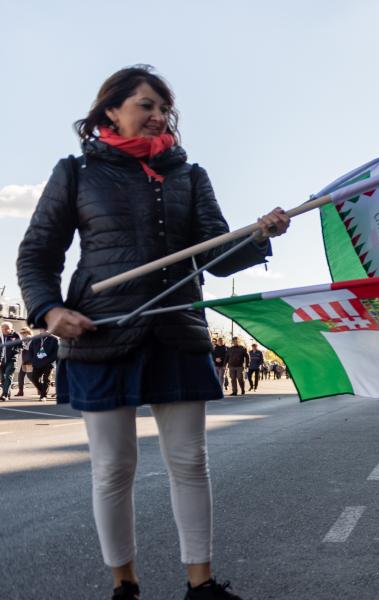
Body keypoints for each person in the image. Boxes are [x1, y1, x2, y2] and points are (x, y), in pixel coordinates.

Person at [16, 65, 290, 600]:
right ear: (110, 112)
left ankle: (201, 583)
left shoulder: (190, 176)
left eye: (164, 109)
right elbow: (37, 254)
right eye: (146, 105)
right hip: (101, 333)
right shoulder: (76, 172)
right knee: (113, 468)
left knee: (190, 460)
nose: (158, 116)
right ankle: (124, 585)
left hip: (176, 330)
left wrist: (257, 236)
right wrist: (49, 311)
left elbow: (215, 256)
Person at [27, 330, 58, 401]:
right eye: (41, 329)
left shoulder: (54, 339)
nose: (42, 330)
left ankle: (43, 395)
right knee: (35, 379)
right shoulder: (36, 338)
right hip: (37, 362)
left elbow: (56, 352)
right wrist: (32, 360)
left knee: (46, 379)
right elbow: (30, 349)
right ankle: (43, 391)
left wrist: (49, 360)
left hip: (48, 363)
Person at [0, 322, 19, 400]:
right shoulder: (0, 336)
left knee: (8, 377)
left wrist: (15, 352)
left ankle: (5, 394)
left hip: (12, 360)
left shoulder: (15, 335)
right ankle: (8, 392)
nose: (4, 330)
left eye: (6, 328)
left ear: (10, 329)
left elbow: (21, 346)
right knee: (3, 378)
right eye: (3, 328)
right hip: (2, 360)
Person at [16, 326, 33, 397]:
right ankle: (20, 391)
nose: (22, 334)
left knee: (31, 376)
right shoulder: (22, 339)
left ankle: (40, 388)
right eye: (21, 333)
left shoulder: (31, 339)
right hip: (24, 360)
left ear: (27, 332)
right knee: (20, 376)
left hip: (29, 361)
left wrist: (23, 346)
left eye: (23, 332)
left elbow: (30, 348)